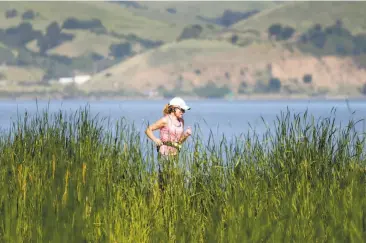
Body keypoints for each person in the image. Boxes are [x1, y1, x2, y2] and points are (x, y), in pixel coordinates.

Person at [145, 97, 192, 190]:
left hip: (175, 154)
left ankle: (170, 199)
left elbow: (179, 142)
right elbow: (148, 130)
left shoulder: (181, 121)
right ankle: (161, 199)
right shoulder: (165, 120)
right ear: (174, 108)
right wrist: (155, 139)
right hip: (164, 154)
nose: (183, 112)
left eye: (184, 110)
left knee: (174, 180)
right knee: (165, 179)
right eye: (181, 109)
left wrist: (186, 135)